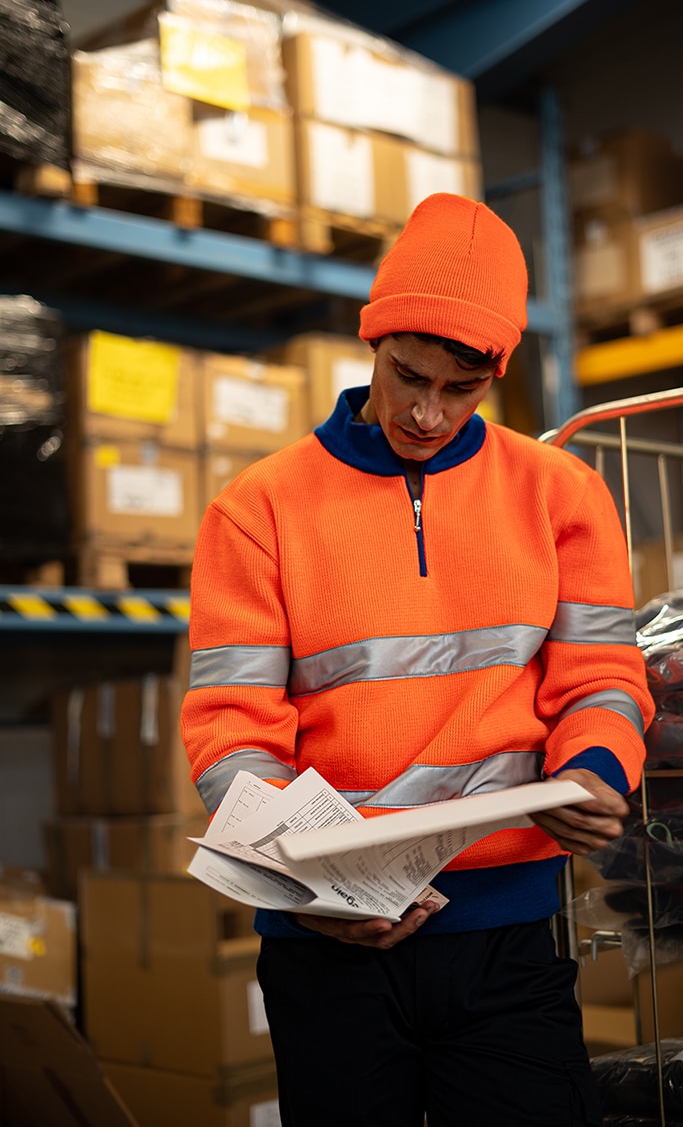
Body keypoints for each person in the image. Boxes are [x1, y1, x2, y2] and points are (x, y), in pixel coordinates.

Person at [181, 192, 655, 1127]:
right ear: (373, 341)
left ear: (496, 375)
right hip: (328, 943)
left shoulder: (561, 493)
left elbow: (600, 676)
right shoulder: (259, 507)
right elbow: (232, 729)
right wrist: (299, 886)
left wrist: (596, 770)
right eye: (408, 377)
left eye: (462, 389)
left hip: (509, 935)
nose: (429, 413)